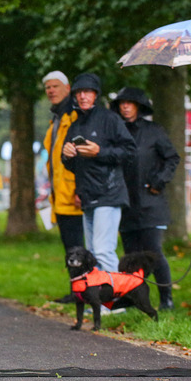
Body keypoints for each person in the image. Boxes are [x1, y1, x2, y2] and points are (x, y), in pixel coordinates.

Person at [112, 87, 179, 311]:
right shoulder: (116, 132)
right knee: (130, 255)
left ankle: (166, 298)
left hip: (151, 202)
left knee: (153, 252)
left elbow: (172, 158)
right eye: (121, 103)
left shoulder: (154, 131)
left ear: (138, 106)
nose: (125, 106)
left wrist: (159, 181)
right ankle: (133, 298)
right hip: (125, 203)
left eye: (130, 103)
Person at [61, 73, 136, 273]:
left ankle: (111, 301)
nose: (83, 96)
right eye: (79, 92)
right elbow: (71, 166)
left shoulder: (110, 119)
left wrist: (100, 152)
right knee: (92, 254)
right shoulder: (75, 125)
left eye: (87, 92)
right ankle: (100, 302)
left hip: (109, 194)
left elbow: (130, 152)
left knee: (103, 251)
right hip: (87, 195)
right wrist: (67, 156)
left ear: (96, 95)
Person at [41, 71, 83, 254]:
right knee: (71, 251)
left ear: (67, 88)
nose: (51, 91)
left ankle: (89, 283)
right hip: (60, 195)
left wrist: (80, 189)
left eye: (55, 86)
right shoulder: (57, 119)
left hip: (74, 197)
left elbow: (82, 157)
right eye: (47, 87)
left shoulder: (76, 117)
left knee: (79, 252)